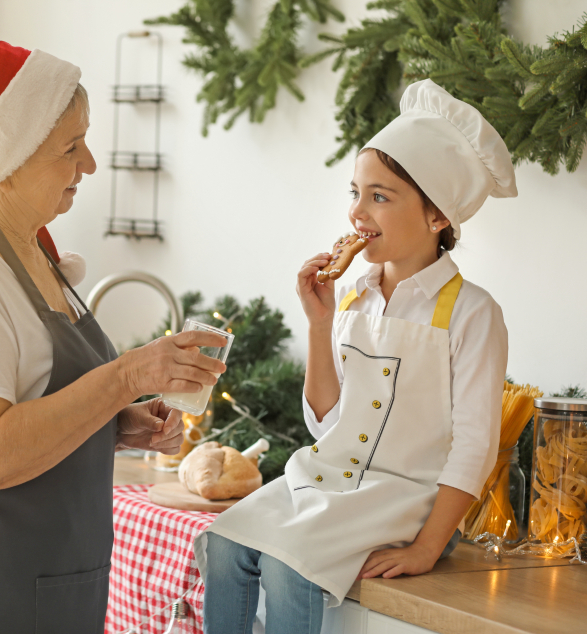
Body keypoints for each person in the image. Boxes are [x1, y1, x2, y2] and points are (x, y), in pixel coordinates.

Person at [0, 19, 228, 634]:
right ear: (5, 161)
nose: (88, 163)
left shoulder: (31, 249)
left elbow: (29, 402)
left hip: (53, 573)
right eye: (70, 146)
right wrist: (127, 376)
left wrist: (116, 426)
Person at [198, 79, 514, 633]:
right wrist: (319, 326)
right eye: (354, 192)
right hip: (328, 480)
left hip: (408, 498)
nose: (356, 213)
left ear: (437, 216)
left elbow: (474, 447)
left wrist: (426, 547)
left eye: (380, 197)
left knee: (287, 566)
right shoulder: (351, 294)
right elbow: (325, 423)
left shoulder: (472, 312)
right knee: (224, 546)